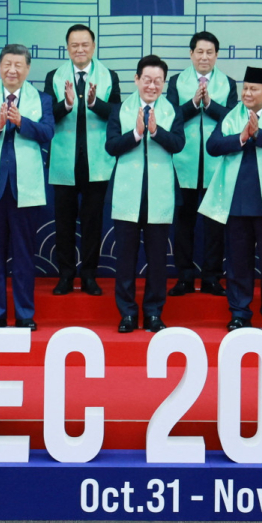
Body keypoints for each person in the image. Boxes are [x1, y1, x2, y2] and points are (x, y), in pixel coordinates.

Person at [200, 67, 262, 333]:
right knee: (238, 261)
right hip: (237, 200)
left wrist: (259, 135)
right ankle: (240, 313)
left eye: (253, 89)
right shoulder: (232, 115)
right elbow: (213, 146)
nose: (247, 93)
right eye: (245, 88)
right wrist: (241, 137)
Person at [0, 44, 55, 330]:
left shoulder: (41, 99)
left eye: (18, 65)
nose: (12, 70)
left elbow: (48, 132)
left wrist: (21, 123)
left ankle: (25, 314)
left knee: (23, 255)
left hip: (26, 188)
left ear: (28, 69)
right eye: (7, 64)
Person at [105, 55, 185, 333]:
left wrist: (155, 131)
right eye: (147, 80)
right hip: (128, 193)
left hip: (159, 195)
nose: (152, 86)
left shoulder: (173, 111)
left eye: (158, 81)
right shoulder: (120, 110)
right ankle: (127, 313)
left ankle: (153, 313)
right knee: (125, 259)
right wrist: (137, 134)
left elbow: (178, 144)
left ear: (164, 83)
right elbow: (112, 146)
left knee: (158, 260)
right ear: (137, 79)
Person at [44, 24, 120, 296]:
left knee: (92, 222)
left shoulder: (109, 76)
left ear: (93, 46)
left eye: (85, 44)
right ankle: (65, 275)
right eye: (74, 45)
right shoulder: (54, 76)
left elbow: (117, 114)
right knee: (63, 223)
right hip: (64, 160)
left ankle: (89, 275)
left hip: (96, 161)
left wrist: (93, 103)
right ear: (67, 48)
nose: (79, 49)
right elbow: (46, 116)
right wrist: (65, 104)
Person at [166, 31, 237, 297]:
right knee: (183, 224)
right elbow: (169, 118)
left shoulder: (229, 83)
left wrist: (210, 104)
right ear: (191, 53)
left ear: (217, 55)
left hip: (216, 164)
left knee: (214, 224)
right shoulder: (175, 82)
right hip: (182, 162)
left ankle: (211, 277)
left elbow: (232, 120)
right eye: (199, 52)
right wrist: (194, 103)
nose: (204, 57)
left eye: (210, 52)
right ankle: (184, 277)